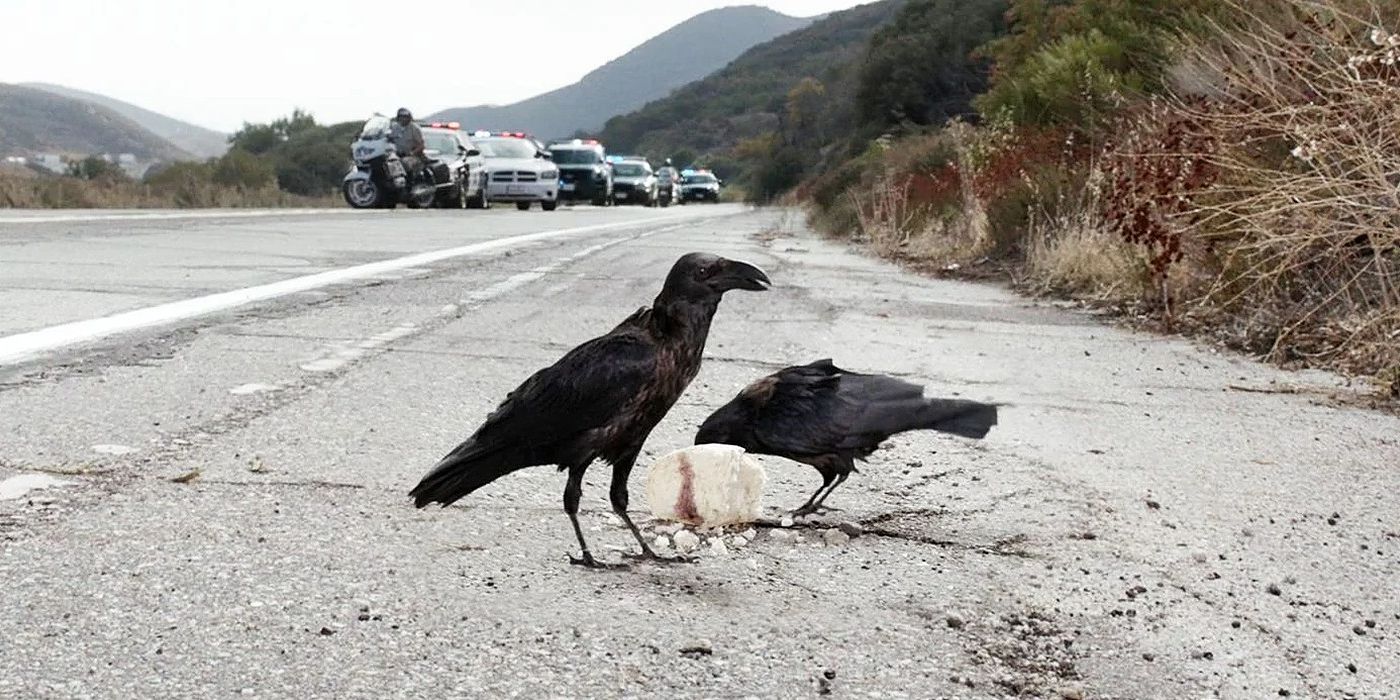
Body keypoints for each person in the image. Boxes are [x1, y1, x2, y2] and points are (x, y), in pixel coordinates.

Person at [389, 107, 426, 180]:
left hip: (413, 156)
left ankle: (410, 182)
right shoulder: (394, 128)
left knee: (404, 163)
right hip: (396, 156)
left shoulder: (414, 128)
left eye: (406, 117)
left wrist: (412, 153)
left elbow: (421, 145)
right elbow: (389, 139)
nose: (403, 119)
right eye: (401, 117)